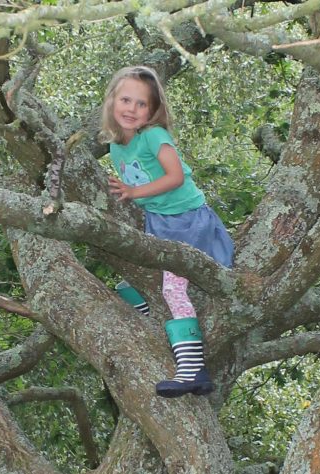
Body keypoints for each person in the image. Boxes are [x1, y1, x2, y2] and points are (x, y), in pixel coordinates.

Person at [101, 65, 234, 398]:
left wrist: (133, 193)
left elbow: (175, 177)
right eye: (125, 100)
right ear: (112, 101)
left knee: (174, 290)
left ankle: (193, 369)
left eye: (141, 104)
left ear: (153, 110)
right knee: (129, 287)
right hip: (159, 223)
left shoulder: (154, 137)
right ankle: (160, 324)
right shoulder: (116, 148)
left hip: (187, 221)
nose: (131, 109)